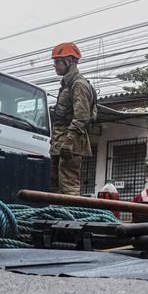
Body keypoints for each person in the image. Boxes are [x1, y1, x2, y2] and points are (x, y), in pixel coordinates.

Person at [50, 42, 96, 196]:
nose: (55, 65)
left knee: (69, 188)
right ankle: (55, 217)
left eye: (57, 61)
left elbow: (82, 117)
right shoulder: (67, 84)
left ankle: (70, 217)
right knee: (55, 188)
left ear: (69, 61)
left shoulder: (79, 84)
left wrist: (68, 142)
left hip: (70, 143)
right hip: (60, 142)